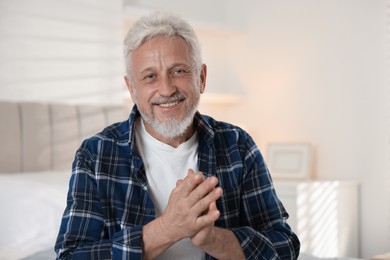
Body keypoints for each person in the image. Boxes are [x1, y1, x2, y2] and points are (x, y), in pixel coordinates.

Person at [55, 12, 300, 260]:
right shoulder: (95, 155)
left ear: (201, 78)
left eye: (179, 71)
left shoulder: (238, 145)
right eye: (150, 76)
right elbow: (71, 256)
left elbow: (284, 247)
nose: (166, 89)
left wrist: (213, 239)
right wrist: (168, 228)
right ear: (132, 89)